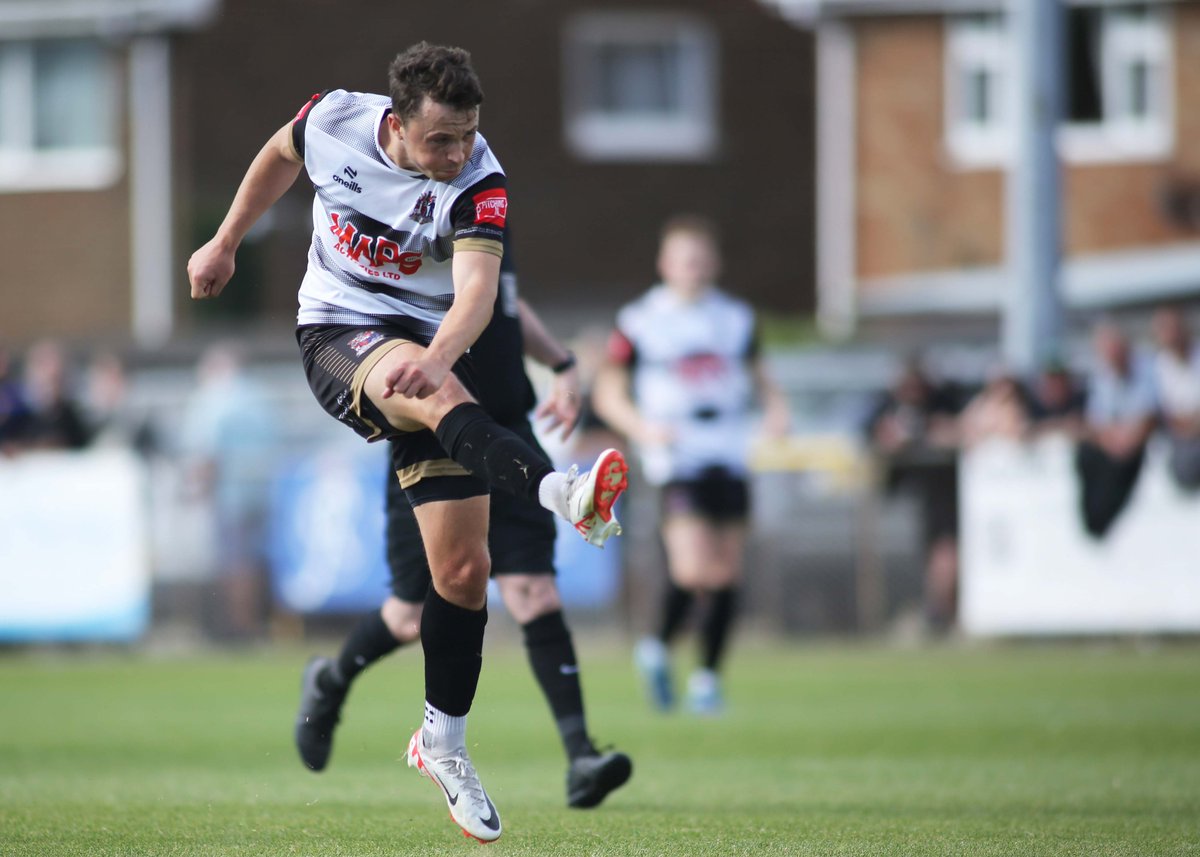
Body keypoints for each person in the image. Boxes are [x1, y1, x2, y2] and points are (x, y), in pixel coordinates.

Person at [187, 43, 629, 843]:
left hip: (428, 348)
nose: (457, 153)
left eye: (468, 134)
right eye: (440, 140)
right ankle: (562, 492)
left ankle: (442, 744)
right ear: (395, 124)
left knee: (463, 573)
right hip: (337, 329)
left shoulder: (480, 181)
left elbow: (479, 296)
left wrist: (439, 353)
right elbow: (279, 153)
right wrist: (225, 241)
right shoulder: (334, 120)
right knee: (441, 399)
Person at [293, 236, 633, 809]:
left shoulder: (486, 212)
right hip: (436, 434)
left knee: (534, 589)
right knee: (407, 615)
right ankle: (331, 680)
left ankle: (581, 756)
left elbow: (505, 299)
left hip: (511, 429)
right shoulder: (417, 216)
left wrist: (560, 361)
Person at [592, 214, 790, 715]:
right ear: (665, 264)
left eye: (701, 260)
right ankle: (657, 645)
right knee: (693, 567)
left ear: (714, 263)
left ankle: (706, 679)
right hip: (676, 453)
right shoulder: (641, 319)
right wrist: (642, 428)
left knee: (726, 571)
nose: (693, 270)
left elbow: (761, 376)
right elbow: (609, 392)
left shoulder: (735, 317)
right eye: (684, 260)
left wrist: (776, 411)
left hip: (729, 444)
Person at [179, 343, 279, 642]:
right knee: (256, 560)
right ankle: (260, 622)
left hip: (230, 494)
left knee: (234, 562)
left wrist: (193, 491)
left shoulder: (215, 400)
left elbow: (207, 453)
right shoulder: (258, 396)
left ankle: (238, 627)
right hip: (261, 491)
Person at [863, 355, 964, 633]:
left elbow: (959, 429)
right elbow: (868, 435)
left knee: (945, 551)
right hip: (900, 494)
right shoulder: (885, 405)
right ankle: (933, 613)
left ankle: (941, 614)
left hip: (941, 492)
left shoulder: (944, 402)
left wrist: (934, 433)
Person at [1074, 319, 1157, 538]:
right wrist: (1112, 439)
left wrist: (1126, 439)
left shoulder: (1147, 368)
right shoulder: (1102, 375)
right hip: (1116, 445)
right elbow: (1097, 420)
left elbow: (1150, 414)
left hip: (1136, 447)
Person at [1150, 305, 1200, 490]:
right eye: (1164, 329)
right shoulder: (1158, 365)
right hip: (1181, 437)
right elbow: (1165, 412)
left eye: (1173, 328)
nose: (1171, 335)